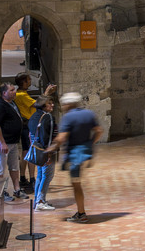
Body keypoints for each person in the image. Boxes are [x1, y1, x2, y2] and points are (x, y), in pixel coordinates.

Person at [56, 92, 102, 222]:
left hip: (74, 157)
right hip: (86, 153)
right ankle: (81, 212)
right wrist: (91, 143)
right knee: (77, 183)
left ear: (69, 104)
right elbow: (99, 131)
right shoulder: (89, 114)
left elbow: (62, 137)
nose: (63, 107)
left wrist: (52, 147)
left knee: (76, 185)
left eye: (64, 104)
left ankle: (81, 214)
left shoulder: (68, 117)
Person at [0, 83, 27, 200]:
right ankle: (1, 192)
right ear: (4, 93)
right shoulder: (0, 106)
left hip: (13, 142)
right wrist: (2, 143)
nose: (14, 91)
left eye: (14, 90)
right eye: (11, 90)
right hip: (1, 143)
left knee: (14, 166)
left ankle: (17, 189)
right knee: (0, 167)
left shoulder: (11, 102)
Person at [26, 95, 58, 210]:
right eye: (49, 103)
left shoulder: (34, 116)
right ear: (43, 105)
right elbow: (47, 137)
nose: (52, 105)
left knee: (40, 175)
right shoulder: (47, 117)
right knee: (47, 175)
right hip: (46, 150)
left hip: (37, 149)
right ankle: (40, 201)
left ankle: (38, 199)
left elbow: (30, 134)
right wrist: (48, 153)